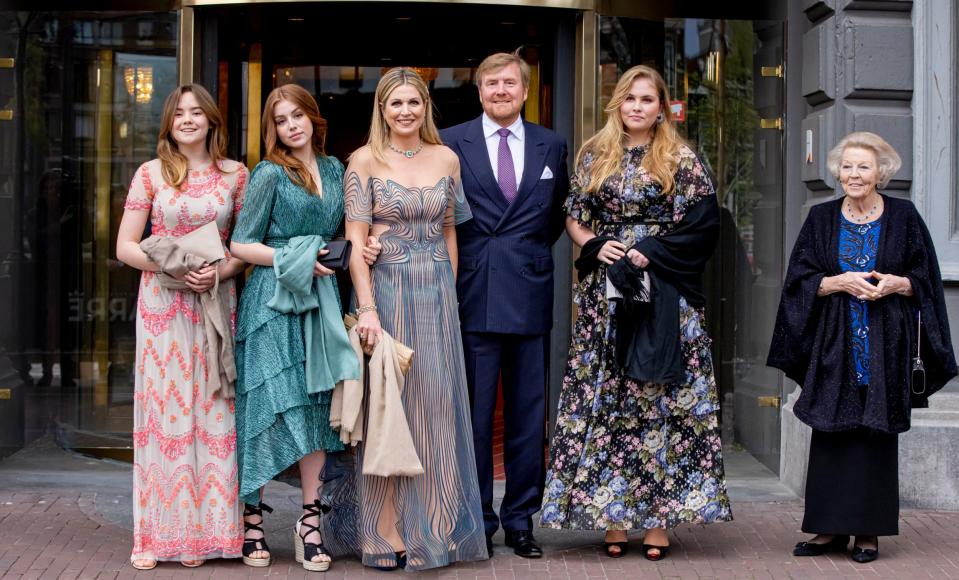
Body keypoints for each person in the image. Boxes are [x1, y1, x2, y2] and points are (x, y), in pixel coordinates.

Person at [540, 65, 733, 561]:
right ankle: (614, 517)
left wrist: (652, 248)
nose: (638, 107)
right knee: (610, 404)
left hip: (666, 290)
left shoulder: (682, 158)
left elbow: (704, 223)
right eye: (630, 99)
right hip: (606, 297)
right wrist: (597, 243)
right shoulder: (593, 154)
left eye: (648, 99)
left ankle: (659, 520)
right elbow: (573, 215)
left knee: (661, 403)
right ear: (617, 104)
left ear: (661, 106)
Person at [767, 131, 957, 563]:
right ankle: (828, 529)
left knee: (875, 431)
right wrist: (835, 281)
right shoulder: (821, 218)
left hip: (886, 339)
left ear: (881, 173)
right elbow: (799, 278)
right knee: (831, 430)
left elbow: (924, 277)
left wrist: (899, 283)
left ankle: (868, 531)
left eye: (863, 167)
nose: (854, 174)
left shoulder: (904, 217)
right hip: (834, 340)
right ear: (838, 172)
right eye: (848, 166)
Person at [333, 67, 486, 571]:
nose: (405, 111)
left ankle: (437, 526)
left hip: (438, 298)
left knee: (437, 411)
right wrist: (368, 309)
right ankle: (386, 532)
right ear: (382, 109)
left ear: (426, 107)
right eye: (395, 103)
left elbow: (450, 232)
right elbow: (355, 244)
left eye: (413, 103)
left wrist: (452, 296)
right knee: (392, 412)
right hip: (389, 297)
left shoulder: (447, 158)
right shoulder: (363, 161)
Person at [440, 51, 569, 559]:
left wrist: (524, 253)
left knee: (526, 415)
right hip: (471, 293)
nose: (500, 90)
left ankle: (520, 520)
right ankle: (477, 519)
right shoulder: (451, 141)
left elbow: (557, 215)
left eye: (509, 83)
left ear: (524, 89)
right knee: (471, 417)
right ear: (479, 91)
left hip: (530, 290)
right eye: (491, 83)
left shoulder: (551, 144)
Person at [116, 84, 247, 570]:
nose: (188, 119)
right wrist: (169, 268)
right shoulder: (150, 174)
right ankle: (156, 538)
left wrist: (221, 270)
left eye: (197, 112)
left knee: (213, 411)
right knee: (165, 418)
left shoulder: (237, 176)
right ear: (169, 122)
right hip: (163, 307)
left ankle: (207, 537)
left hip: (214, 302)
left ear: (212, 120)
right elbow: (125, 246)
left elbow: (244, 247)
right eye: (179, 113)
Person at [230, 83, 359, 572]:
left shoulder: (334, 169)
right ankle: (252, 522)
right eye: (281, 120)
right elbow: (242, 245)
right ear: (274, 129)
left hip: (320, 304)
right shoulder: (268, 174)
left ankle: (309, 523)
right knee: (266, 408)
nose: (292, 126)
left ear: (312, 118)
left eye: (297, 116)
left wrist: (360, 248)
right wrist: (298, 256)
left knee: (312, 410)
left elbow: (350, 231)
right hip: (272, 304)